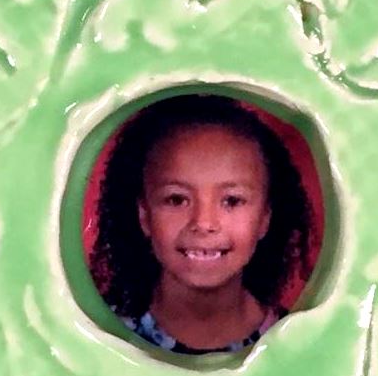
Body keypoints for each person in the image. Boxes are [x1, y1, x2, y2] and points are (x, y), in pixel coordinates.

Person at [90, 94, 315, 354]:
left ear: (265, 217)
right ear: (144, 215)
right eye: (177, 199)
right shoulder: (97, 343)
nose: (204, 223)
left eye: (231, 201)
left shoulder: (297, 348)